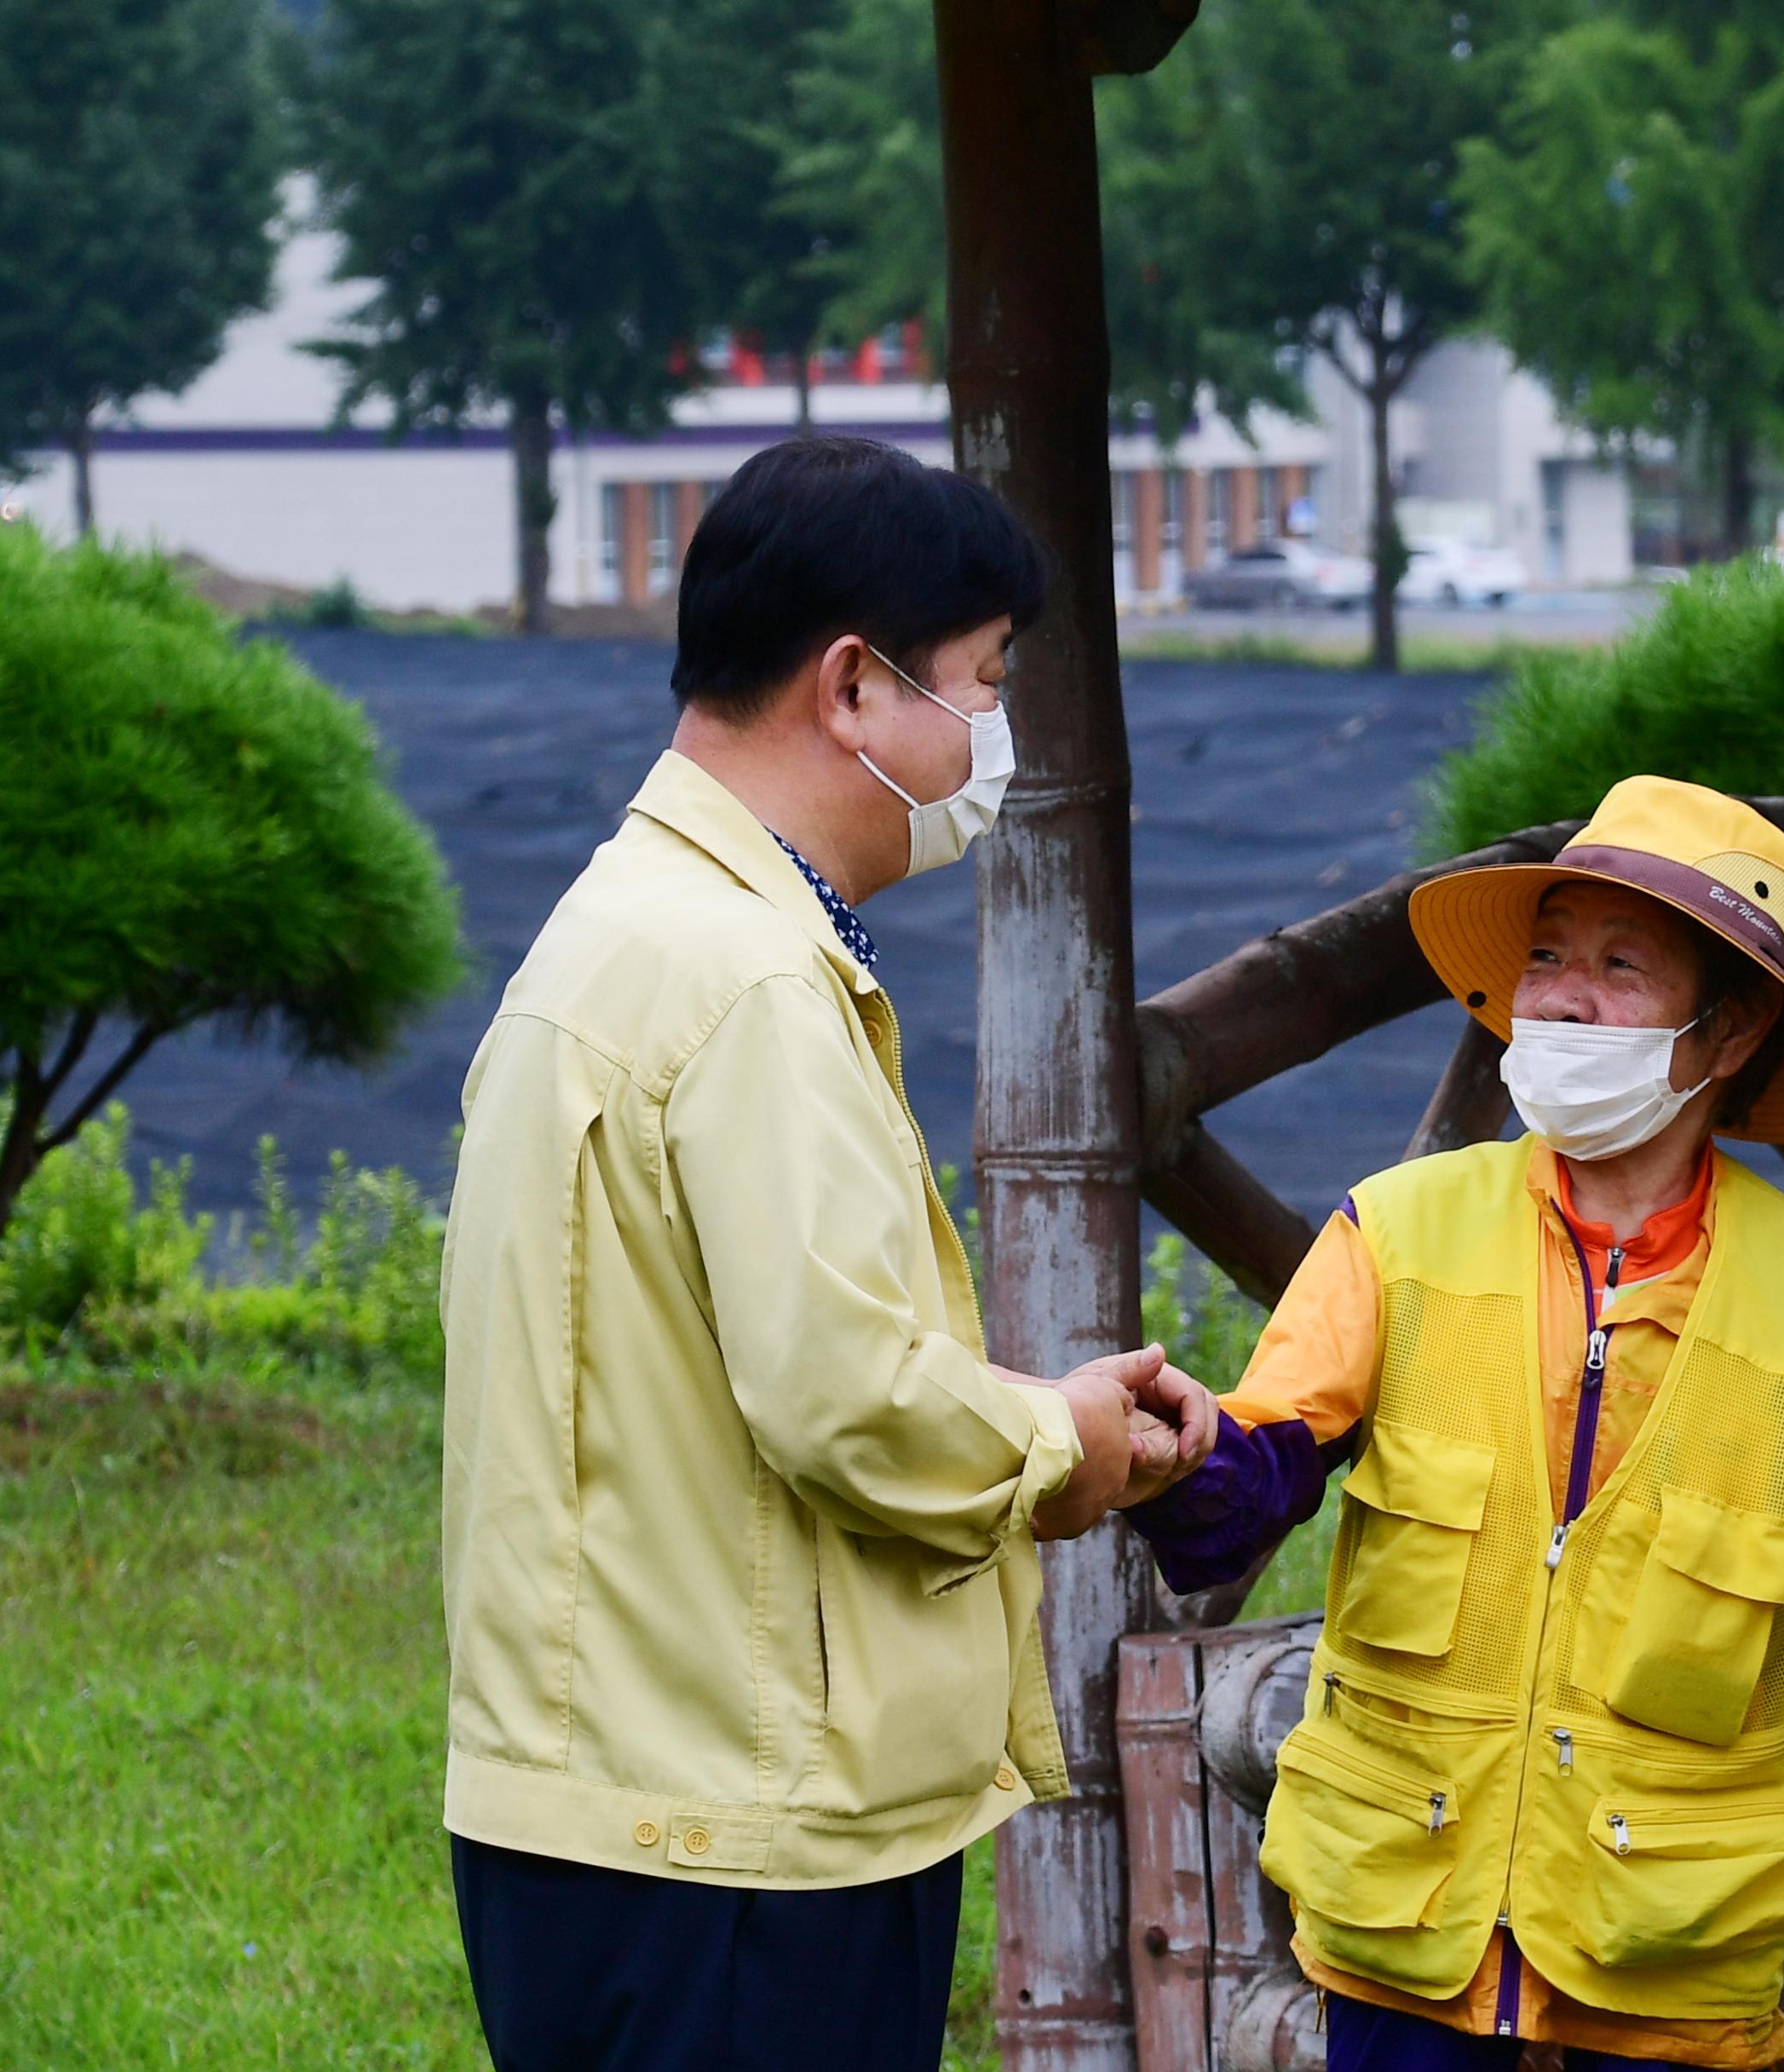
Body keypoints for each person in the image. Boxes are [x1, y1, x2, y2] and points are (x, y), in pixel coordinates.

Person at [435, 435, 1217, 2072]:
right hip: (732, 1835)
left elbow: (734, 1363)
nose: (993, 737)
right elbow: (837, 1395)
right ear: (854, 690)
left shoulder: (628, 926)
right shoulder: (753, 985)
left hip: (612, 1801)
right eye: (983, 685)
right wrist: (1057, 1440)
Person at [1124, 776, 1784, 2072]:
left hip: (1667, 1970)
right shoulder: (1396, 1231)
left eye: (1620, 966)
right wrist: (1182, 1453)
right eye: (1545, 961)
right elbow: (1254, 1476)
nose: (1565, 1001)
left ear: (1732, 1031)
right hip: (1407, 1944)